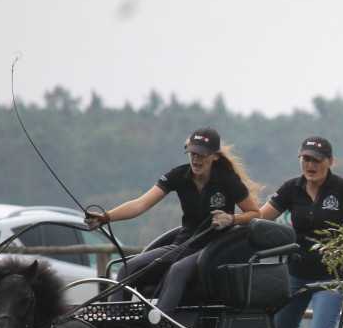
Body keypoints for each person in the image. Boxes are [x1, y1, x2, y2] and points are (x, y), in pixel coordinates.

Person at [85, 126, 261, 313]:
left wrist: (231, 219)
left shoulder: (228, 180)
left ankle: (159, 326)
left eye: (201, 154)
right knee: (127, 269)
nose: (195, 158)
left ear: (214, 156)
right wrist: (105, 217)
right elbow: (140, 204)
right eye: (192, 152)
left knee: (177, 270)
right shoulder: (178, 175)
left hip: (214, 249)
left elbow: (254, 214)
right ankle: (115, 325)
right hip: (183, 245)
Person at [259, 135, 343, 328]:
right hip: (295, 274)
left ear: (330, 162)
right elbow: (260, 219)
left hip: (330, 277)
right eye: (305, 159)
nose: (310, 164)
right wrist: (235, 220)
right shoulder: (291, 188)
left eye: (316, 159)